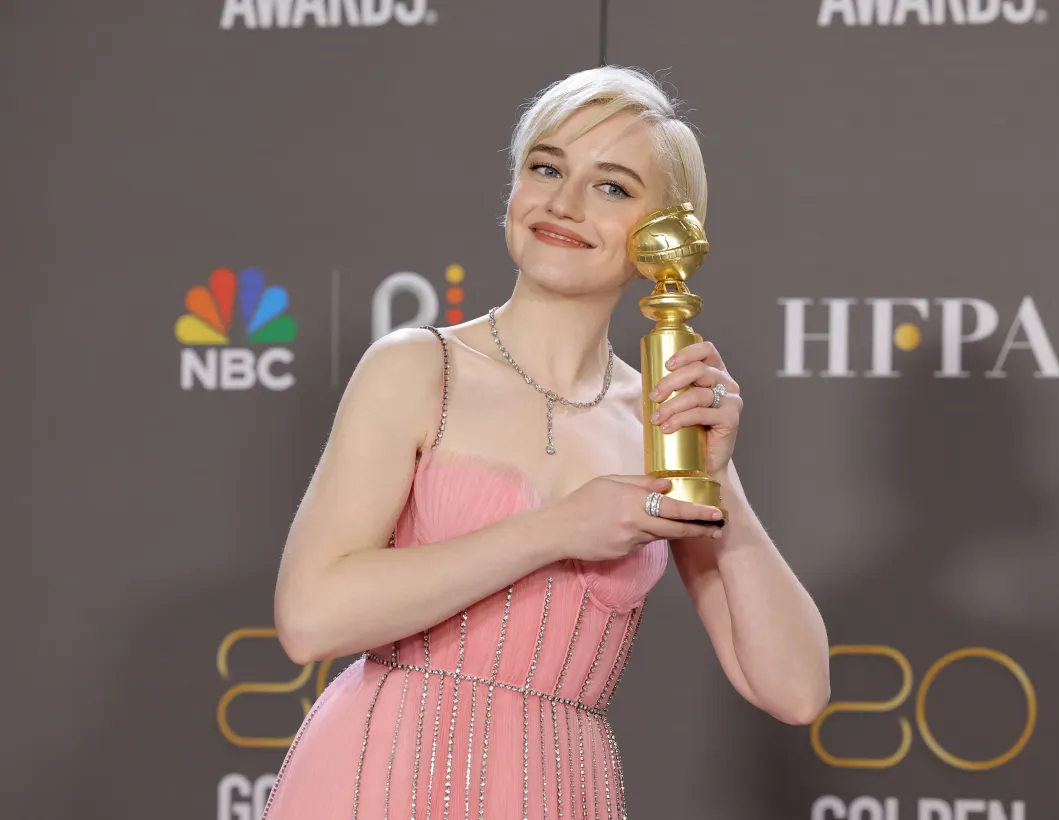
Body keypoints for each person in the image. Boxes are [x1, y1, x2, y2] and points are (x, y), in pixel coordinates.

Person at [263, 65, 830, 820]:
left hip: (556, 789)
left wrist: (717, 479)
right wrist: (557, 530)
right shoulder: (418, 368)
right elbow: (310, 620)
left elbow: (794, 689)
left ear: (665, 238)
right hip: (379, 774)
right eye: (546, 167)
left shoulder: (658, 418)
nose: (563, 203)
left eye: (613, 187)